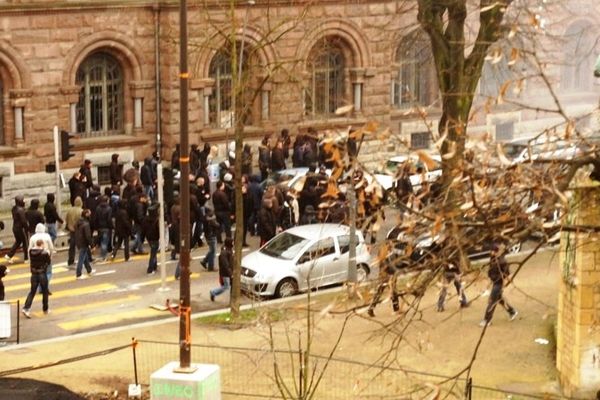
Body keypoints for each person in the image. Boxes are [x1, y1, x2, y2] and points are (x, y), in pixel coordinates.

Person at [480, 243, 518, 327]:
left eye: (492, 251)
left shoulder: (502, 261)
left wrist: (504, 284)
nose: (490, 252)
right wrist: (488, 284)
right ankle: (512, 311)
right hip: (494, 282)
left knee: (492, 301)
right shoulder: (492, 259)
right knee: (499, 299)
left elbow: (507, 274)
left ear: (496, 251)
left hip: (499, 283)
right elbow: (490, 273)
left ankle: (487, 320)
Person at [21, 239, 51, 318]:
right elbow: (48, 262)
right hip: (42, 274)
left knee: (32, 292)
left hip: (34, 274)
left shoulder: (31, 252)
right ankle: (45, 309)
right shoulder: (44, 253)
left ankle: (26, 308)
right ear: (41, 244)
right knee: (45, 292)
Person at [28, 223, 54, 295]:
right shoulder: (47, 236)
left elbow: (29, 248)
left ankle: (41, 287)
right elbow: (51, 247)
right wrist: (51, 255)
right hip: (45, 256)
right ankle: (43, 287)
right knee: (48, 273)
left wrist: (30, 259)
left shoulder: (32, 237)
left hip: (35, 258)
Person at [6, 195, 29, 263]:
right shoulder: (21, 210)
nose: (24, 202)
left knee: (18, 242)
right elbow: (23, 221)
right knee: (25, 243)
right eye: (23, 200)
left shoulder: (14, 208)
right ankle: (26, 258)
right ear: (20, 201)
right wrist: (27, 228)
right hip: (21, 229)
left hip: (15, 227)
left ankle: (9, 255)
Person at [209, 238, 233, 302]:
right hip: (225, 273)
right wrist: (230, 273)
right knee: (226, 286)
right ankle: (213, 292)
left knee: (228, 285)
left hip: (227, 272)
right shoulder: (225, 253)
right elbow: (226, 264)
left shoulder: (228, 250)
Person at [75, 209, 95, 279]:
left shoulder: (78, 222)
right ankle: (78, 273)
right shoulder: (86, 224)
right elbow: (88, 236)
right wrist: (92, 245)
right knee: (81, 258)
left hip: (79, 241)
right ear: (86, 214)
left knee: (85, 257)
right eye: (89, 214)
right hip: (84, 242)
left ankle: (89, 270)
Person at [94, 195, 113, 261]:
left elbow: (96, 218)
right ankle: (103, 256)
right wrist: (111, 226)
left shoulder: (98, 208)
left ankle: (102, 255)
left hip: (100, 227)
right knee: (104, 242)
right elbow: (109, 219)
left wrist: (96, 227)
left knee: (102, 241)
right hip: (106, 227)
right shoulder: (109, 208)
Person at [65, 196, 84, 266]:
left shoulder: (70, 210)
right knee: (81, 246)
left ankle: (70, 260)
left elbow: (66, 219)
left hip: (71, 230)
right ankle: (84, 260)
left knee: (72, 247)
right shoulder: (81, 211)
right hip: (78, 231)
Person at [143, 204, 160, 275]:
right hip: (155, 238)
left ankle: (155, 265)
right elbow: (158, 230)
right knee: (153, 254)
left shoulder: (145, 219)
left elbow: (144, 229)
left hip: (149, 238)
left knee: (154, 252)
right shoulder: (156, 220)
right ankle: (150, 269)